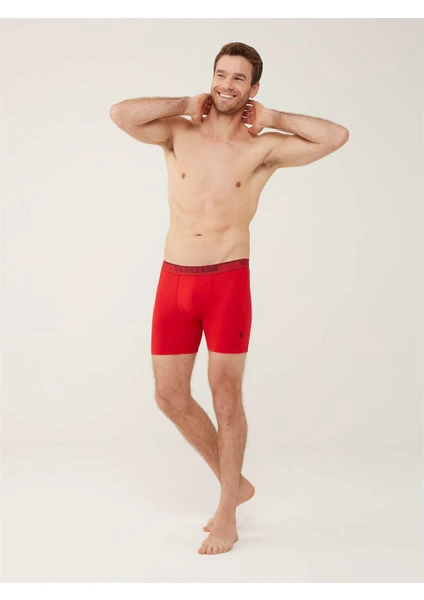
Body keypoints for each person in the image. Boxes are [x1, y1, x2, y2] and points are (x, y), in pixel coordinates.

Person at [109, 41, 349, 555]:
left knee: (225, 395)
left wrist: (275, 117)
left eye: (239, 78)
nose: (227, 84)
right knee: (169, 395)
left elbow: (336, 137)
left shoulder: (262, 148)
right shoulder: (178, 133)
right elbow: (120, 114)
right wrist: (182, 103)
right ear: (212, 77)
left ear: (253, 88)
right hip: (174, 279)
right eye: (221, 74)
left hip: (226, 282)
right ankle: (234, 482)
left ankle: (227, 514)